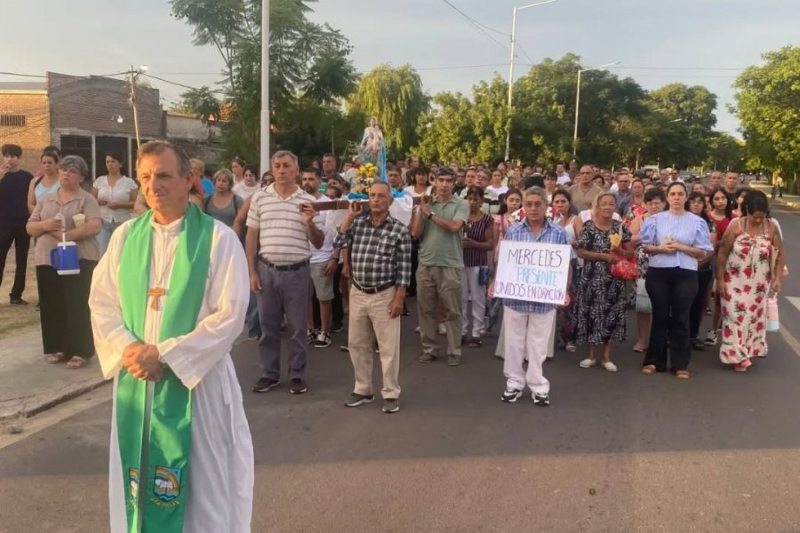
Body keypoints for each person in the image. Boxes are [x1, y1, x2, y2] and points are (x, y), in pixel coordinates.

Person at [88, 140, 253, 533]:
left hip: (198, 385)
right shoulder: (126, 238)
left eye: (163, 175)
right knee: (138, 484)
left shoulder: (217, 239)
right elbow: (102, 303)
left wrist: (163, 354)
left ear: (189, 180)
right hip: (138, 386)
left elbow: (229, 316)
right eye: (145, 177)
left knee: (204, 491)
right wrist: (129, 349)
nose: (152, 185)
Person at [246, 150, 323, 394]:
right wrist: (251, 272)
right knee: (267, 326)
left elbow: (319, 242)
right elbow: (251, 236)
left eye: (286, 166)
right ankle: (269, 373)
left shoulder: (307, 201)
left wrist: (309, 222)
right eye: (277, 166)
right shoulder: (260, 198)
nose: (281, 170)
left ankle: (297, 374)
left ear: (296, 170)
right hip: (267, 270)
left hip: (297, 272)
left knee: (298, 327)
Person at [335, 182, 411, 413]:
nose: (376, 200)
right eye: (372, 196)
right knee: (357, 344)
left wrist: (399, 298)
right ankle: (363, 389)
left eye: (381, 196)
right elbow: (338, 243)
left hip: (384, 294)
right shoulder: (358, 225)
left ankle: (390, 392)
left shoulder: (399, 230)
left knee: (388, 348)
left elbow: (404, 269)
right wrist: (349, 217)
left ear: (390, 201)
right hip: (358, 292)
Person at [490, 187, 570, 406]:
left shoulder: (559, 233)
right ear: (523, 206)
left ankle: (537, 385)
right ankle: (514, 383)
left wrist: (564, 289)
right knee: (514, 343)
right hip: (516, 298)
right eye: (529, 204)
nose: (533, 208)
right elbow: (504, 262)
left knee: (538, 345)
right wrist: (496, 283)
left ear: (546, 206)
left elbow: (566, 265)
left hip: (544, 299)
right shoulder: (514, 231)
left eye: (538, 204)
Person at [26, 155, 101, 368]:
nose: (66, 174)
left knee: (77, 303)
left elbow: (94, 225)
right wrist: (48, 225)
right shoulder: (46, 199)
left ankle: (81, 350)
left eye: (72, 171)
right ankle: (57, 346)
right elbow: (30, 227)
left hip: (79, 257)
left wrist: (67, 235)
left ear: (81, 177)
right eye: (64, 170)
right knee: (53, 303)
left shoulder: (86, 199)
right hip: (48, 257)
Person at [640, 182, 713, 379]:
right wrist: (661, 249)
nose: (676, 197)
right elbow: (646, 246)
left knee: (681, 317)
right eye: (672, 194)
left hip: (686, 272)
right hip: (659, 271)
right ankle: (655, 360)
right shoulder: (655, 219)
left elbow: (702, 251)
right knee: (660, 315)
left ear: (686, 197)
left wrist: (681, 246)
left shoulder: (697, 222)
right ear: (667, 197)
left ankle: (680, 363)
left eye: (680, 194)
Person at [717, 190, 784, 372]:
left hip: (759, 284)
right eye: (755, 217)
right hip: (733, 281)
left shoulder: (770, 228)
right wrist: (720, 280)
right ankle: (737, 356)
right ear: (747, 211)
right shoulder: (736, 226)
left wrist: (777, 279)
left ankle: (746, 352)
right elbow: (722, 253)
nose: (757, 221)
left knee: (753, 319)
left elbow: (779, 255)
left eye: (761, 218)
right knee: (735, 317)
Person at [411, 167, 469, 366]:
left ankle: (454, 352)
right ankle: (429, 349)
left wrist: (430, 214)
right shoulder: (428, 204)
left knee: (453, 311)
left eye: (448, 180)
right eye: (440, 180)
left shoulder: (461, 204)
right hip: (426, 263)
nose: (444, 184)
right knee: (426, 309)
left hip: (450, 264)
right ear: (434, 182)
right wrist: (421, 211)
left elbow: (454, 227)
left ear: (454, 183)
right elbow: (415, 233)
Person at [574, 192, 633, 372]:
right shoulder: (589, 227)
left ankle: (607, 357)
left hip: (614, 279)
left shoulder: (620, 228)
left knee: (611, 315)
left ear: (615, 207)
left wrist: (619, 251)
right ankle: (591, 355)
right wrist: (604, 256)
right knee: (592, 314)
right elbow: (581, 252)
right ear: (597, 207)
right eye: (604, 204)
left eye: (611, 204)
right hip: (591, 278)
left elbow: (630, 252)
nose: (607, 207)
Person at [628, 188, 667, 353]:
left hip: (665, 265)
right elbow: (628, 239)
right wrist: (643, 236)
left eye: (657, 202)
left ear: (664, 203)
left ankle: (661, 339)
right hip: (643, 267)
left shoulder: (670, 218)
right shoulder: (640, 218)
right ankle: (643, 339)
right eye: (650, 203)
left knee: (664, 306)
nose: (654, 206)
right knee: (643, 307)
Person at [302, 168, 336, 348]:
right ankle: (309, 329)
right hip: (301, 258)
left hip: (322, 256)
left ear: (318, 181)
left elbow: (334, 232)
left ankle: (325, 331)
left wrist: (333, 258)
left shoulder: (326, 204)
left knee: (324, 297)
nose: (307, 182)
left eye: (311, 179)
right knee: (305, 297)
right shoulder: (299, 201)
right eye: (304, 179)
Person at [460, 186, 496, 347]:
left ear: (482, 201)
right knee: (460, 298)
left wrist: (473, 243)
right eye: (470, 199)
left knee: (477, 298)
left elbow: (490, 244)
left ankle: (476, 332)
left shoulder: (487, 220)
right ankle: (461, 330)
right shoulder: (461, 217)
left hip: (477, 263)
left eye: (476, 199)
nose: (472, 202)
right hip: (460, 262)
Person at [0, 144, 35, 305]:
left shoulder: (27, 177)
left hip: (23, 223)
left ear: (19, 159)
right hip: (3, 223)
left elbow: (32, 199)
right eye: (7, 156)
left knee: (22, 260)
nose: (10, 159)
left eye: (13, 156)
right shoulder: (1, 176)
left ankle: (16, 295)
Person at [686, 191, 717, 351]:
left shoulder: (709, 222)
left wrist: (699, 263)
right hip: (682, 267)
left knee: (698, 303)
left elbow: (710, 248)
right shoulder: (681, 219)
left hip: (701, 269)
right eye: (693, 201)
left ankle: (693, 335)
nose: (696, 204)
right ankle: (675, 335)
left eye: (700, 202)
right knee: (679, 303)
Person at [705, 187, 735, 346]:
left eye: (723, 198)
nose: (720, 201)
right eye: (716, 198)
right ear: (711, 202)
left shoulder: (734, 219)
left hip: (729, 262)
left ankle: (714, 330)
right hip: (710, 260)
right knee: (705, 297)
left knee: (720, 299)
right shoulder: (707, 219)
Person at [92, 153, 138, 254]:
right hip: (103, 222)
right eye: (107, 162)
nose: (110, 164)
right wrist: (98, 202)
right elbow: (91, 200)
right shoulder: (99, 181)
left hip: (122, 222)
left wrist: (120, 204)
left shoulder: (129, 183)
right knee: (102, 253)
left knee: (120, 253)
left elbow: (136, 203)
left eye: (113, 161)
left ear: (120, 164)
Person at [551, 189, 578, 353]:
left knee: (568, 302)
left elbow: (582, 239)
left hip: (571, 262)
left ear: (569, 203)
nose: (560, 205)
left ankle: (569, 338)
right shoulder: (552, 220)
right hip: (555, 264)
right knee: (555, 302)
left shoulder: (576, 220)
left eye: (563, 202)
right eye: (557, 202)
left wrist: (575, 243)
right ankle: (557, 337)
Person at [27, 149, 61, 214]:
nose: (46, 165)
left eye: (50, 162)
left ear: (56, 164)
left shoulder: (63, 181)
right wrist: (42, 214)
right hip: (39, 220)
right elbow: (30, 205)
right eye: (44, 163)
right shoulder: (34, 181)